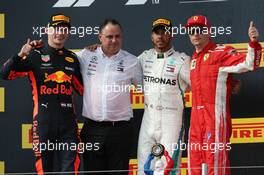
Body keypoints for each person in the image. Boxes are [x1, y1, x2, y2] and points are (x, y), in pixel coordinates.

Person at [0, 14, 83, 174]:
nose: (60, 32)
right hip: (44, 124)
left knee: (70, 170)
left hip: (69, 126)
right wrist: (20, 54)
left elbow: (82, 90)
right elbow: (5, 73)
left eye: (64, 29)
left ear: (69, 33)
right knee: (45, 171)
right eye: (56, 28)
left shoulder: (72, 58)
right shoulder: (34, 55)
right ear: (47, 30)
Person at [185, 15, 262, 175]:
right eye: (192, 30)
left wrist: (253, 42)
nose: (195, 34)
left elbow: (249, 63)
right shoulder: (192, 59)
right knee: (194, 165)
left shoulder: (221, 52)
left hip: (215, 121)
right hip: (196, 121)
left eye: (200, 30)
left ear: (209, 31)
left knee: (215, 166)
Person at [76, 19, 143, 175]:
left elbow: (145, 89)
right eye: (109, 36)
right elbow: (61, 58)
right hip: (92, 129)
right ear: (100, 37)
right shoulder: (86, 55)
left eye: (117, 36)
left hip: (120, 130)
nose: (114, 40)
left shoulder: (132, 61)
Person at [137, 18, 190, 175]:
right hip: (148, 118)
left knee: (168, 168)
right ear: (152, 36)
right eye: (157, 32)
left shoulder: (183, 60)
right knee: (144, 166)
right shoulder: (143, 57)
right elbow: (121, 67)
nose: (160, 36)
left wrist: (228, 84)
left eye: (165, 32)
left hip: (171, 119)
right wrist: (99, 50)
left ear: (172, 35)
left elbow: (201, 84)